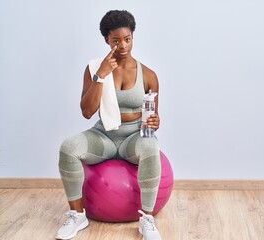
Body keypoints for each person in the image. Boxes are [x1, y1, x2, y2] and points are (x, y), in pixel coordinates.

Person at [56, 10, 162, 240]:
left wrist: (155, 121)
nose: (123, 45)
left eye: (127, 39)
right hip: (103, 136)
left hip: (133, 138)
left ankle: (147, 219)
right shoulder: (94, 68)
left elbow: (154, 116)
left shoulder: (149, 75)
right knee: (68, 147)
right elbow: (86, 112)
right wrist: (100, 76)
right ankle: (77, 215)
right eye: (116, 40)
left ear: (133, 36)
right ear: (106, 40)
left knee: (152, 146)